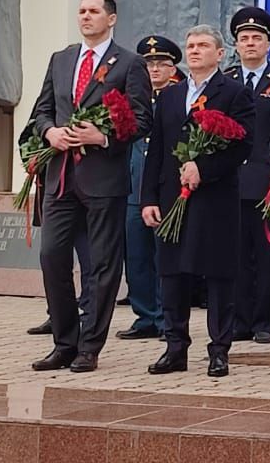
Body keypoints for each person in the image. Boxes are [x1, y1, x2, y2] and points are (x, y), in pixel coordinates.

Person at [26, 0, 153, 373]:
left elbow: (141, 120)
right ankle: (64, 342)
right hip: (61, 176)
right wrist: (50, 132)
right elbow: (42, 111)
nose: (85, 16)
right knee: (52, 256)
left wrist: (104, 136)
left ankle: (89, 347)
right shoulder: (61, 59)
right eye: (81, 11)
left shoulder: (129, 63)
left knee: (100, 265)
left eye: (94, 11)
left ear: (110, 19)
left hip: (103, 178)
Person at [141, 25, 255, 377]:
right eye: (190, 45)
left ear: (220, 54)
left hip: (215, 198)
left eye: (203, 45)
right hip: (172, 196)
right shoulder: (171, 96)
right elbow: (157, 151)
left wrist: (203, 168)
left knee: (218, 274)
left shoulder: (234, 93)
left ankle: (219, 350)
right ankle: (175, 348)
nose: (194, 50)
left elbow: (242, 145)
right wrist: (148, 198)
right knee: (172, 273)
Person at [227, 6, 270, 345]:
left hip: (269, 179)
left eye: (257, 38)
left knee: (267, 253)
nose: (250, 43)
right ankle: (239, 320)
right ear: (236, 44)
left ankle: (264, 322)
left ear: (268, 44)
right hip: (230, 179)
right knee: (236, 253)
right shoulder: (225, 81)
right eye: (244, 38)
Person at [116, 35, 182, 341]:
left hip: (165, 189)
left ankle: (168, 318)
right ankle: (145, 316)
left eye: (161, 63)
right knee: (137, 256)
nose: (154, 69)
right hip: (134, 186)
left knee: (165, 257)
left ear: (173, 69)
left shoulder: (179, 98)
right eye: (149, 64)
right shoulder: (132, 98)